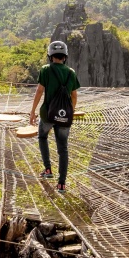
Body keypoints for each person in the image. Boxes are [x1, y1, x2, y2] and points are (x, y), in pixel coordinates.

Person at [30, 40, 80, 191]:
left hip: (47, 115)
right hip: (64, 116)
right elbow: (74, 95)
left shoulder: (45, 70)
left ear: (50, 56)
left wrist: (32, 111)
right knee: (63, 148)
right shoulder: (71, 73)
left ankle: (48, 169)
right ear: (65, 57)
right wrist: (70, 111)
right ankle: (61, 183)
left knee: (42, 136)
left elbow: (39, 91)